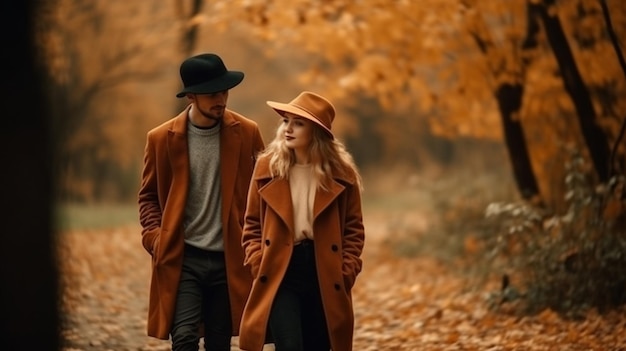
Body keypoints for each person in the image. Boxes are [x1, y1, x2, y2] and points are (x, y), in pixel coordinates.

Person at [137, 53, 265, 351]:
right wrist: (156, 238)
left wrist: (257, 242)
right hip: (184, 257)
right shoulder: (160, 138)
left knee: (219, 342)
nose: (221, 99)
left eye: (224, 91)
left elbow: (264, 192)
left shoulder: (247, 132)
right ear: (191, 97)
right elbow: (148, 196)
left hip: (230, 255)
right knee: (183, 338)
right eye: (212, 93)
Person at [238, 91, 366, 351]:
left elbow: (354, 230)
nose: (288, 128)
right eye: (286, 121)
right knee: (290, 345)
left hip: (324, 270)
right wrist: (258, 260)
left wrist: (346, 270)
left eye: (298, 123)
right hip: (280, 268)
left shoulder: (342, 173)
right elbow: (251, 224)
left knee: (318, 345)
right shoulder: (267, 167)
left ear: (317, 132)